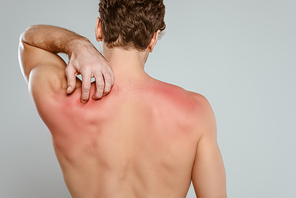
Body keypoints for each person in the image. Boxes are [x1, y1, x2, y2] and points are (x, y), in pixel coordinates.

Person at [18, 0, 227, 197]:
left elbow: (28, 42)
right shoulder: (195, 111)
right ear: (153, 39)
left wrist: (77, 43)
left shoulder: (63, 98)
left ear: (99, 29)